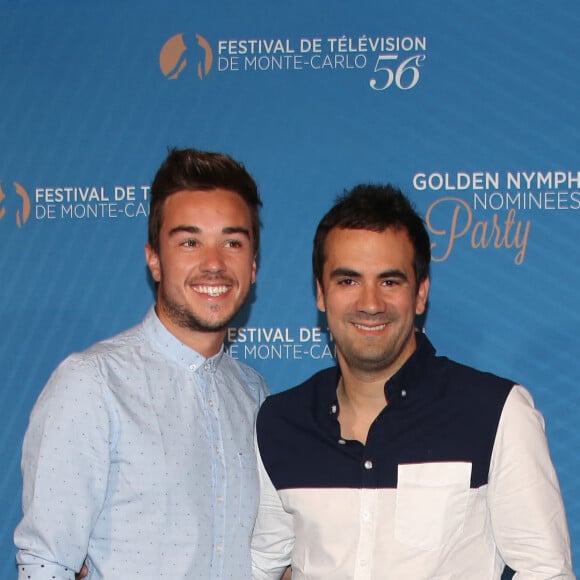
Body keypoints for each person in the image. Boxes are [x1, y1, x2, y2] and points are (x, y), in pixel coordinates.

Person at [251, 184, 574, 579]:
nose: (370, 304)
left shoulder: (494, 412)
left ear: (420, 294)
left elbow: (545, 571)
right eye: (348, 281)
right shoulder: (282, 422)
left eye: (390, 281)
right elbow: (261, 566)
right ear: (321, 294)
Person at [15, 148, 269, 579]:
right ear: (154, 258)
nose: (214, 263)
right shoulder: (92, 384)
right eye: (189, 242)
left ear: (254, 265)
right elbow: (46, 564)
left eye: (232, 242)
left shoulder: (255, 394)